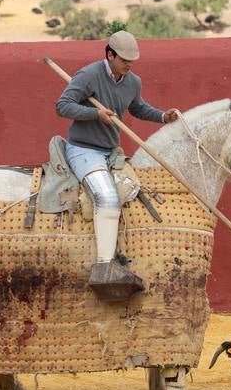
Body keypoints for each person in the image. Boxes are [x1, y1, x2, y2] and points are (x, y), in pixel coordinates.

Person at [56, 30, 180, 300]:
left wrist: (162, 116)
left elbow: (137, 108)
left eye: (132, 61)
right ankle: (103, 267)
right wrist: (94, 113)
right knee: (107, 197)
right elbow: (62, 106)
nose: (129, 64)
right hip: (83, 150)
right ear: (109, 54)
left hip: (111, 153)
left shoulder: (133, 81)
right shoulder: (88, 75)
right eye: (124, 59)